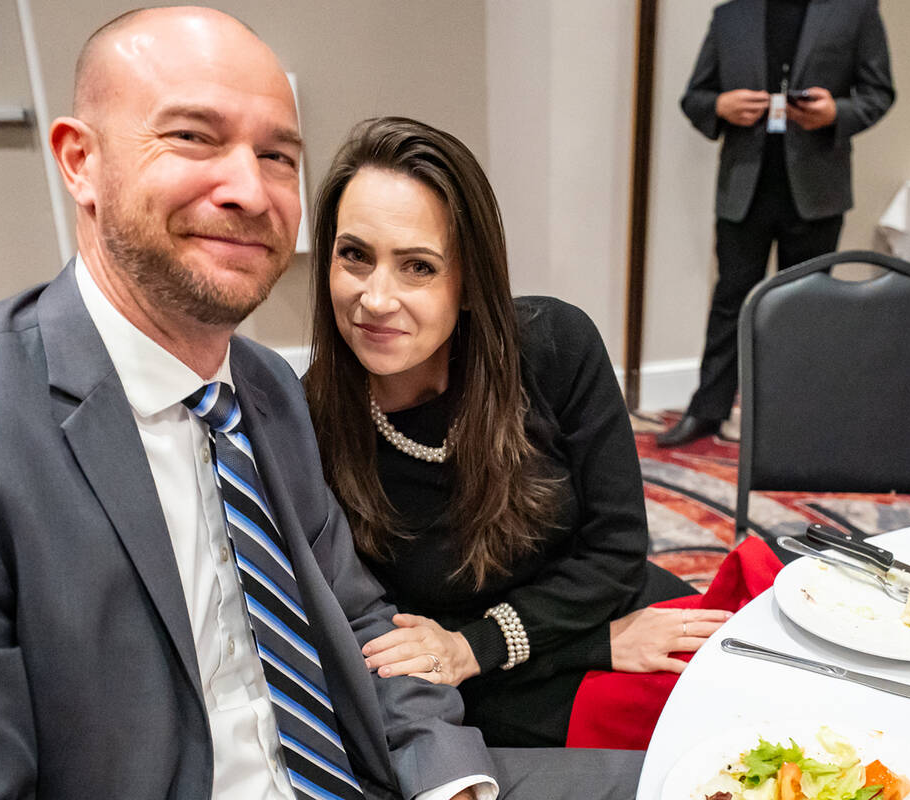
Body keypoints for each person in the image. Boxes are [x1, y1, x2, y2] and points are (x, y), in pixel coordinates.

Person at [0, 9, 650, 800]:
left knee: (718, 775)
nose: (248, 189)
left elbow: (364, 622)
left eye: (277, 156)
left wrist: (448, 780)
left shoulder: (263, 390)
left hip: (381, 772)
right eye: (194, 137)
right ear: (81, 160)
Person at [303, 116, 731, 749]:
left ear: (470, 282)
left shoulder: (556, 346)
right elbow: (390, 643)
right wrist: (587, 649)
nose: (376, 298)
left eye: (417, 266)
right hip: (496, 691)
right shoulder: (307, 422)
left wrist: (540, 641)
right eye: (355, 256)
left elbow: (615, 551)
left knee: (780, 702)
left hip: (617, 615)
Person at [657, 0, 894, 447]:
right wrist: (721, 106)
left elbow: (879, 93)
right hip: (744, 190)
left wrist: (836, 113)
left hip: (816, 193)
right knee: (730, 301)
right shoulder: (730, 15)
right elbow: (696, 98)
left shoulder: (855, 11)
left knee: (809, 309)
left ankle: (800, 420)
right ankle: (708, 411)